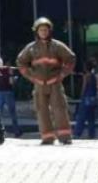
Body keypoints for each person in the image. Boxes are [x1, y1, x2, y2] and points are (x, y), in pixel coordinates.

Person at [16, 17, 76, 145]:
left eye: (45, 30)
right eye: (41, 30)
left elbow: (71, 59)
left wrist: (61, 75)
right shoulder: (31, 48)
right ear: (36, 32)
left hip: (55, 83)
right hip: (39, 85)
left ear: (49, 31)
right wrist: (31, 77)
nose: (43, 32)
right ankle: (47, 137)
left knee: (59, 109)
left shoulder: (57, 46)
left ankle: (65, 137)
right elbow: (21, 62)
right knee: (41, 110)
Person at [72, 58, 98, 139]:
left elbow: (84, 87)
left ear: (86, 67)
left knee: (81, 117)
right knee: (91, 118)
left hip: (86, 98)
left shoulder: (86, 76)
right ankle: (91, 134)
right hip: (93, 98)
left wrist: (81, 96)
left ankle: (77, 133)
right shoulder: (93, 76)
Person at [0, 64, 21, 137]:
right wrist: (11, 75)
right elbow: (11, 82)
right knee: (12, 113)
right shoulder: (7, 70)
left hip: (0, 92)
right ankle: (16, 131)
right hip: (7, 92)